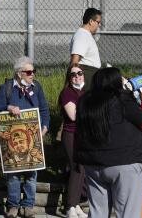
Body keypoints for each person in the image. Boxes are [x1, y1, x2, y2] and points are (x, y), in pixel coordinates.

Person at [75, 67, 142, 218]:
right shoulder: (122, 99)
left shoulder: (84, 101)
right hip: (126, 163)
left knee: (97, 213)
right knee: (127, 213)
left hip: (93, 164)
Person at [0, 56, 50, 218]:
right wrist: (9, 107)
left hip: (32, 139)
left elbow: (44, 109)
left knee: (32, 175)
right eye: (29, 72)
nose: (33, 74)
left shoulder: (37, 87)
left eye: (33, 71)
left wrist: (45, 127)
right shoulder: (6, 88)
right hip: (13, 140)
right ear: (19, 73)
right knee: (13, 175)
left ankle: (28, 206)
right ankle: (13, 206)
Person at [57, 67, 87, 218]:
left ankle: (76, 204)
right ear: (69, 78)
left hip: (83, 135)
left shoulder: (85, 92)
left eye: (79, 73)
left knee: (82, 169)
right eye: (73, 74)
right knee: (76, 167)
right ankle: (69, 207)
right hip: (71, 135)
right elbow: (73, 115)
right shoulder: (67, 93)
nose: (77, 76)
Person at [70, 8, 103, 89]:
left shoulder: (86, 35)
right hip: (86, 77)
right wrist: (77, 83)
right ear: (91, 21)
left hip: (91, 76)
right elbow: (75, 61)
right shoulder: (82, 35)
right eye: (98, 22)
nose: (99, 25)